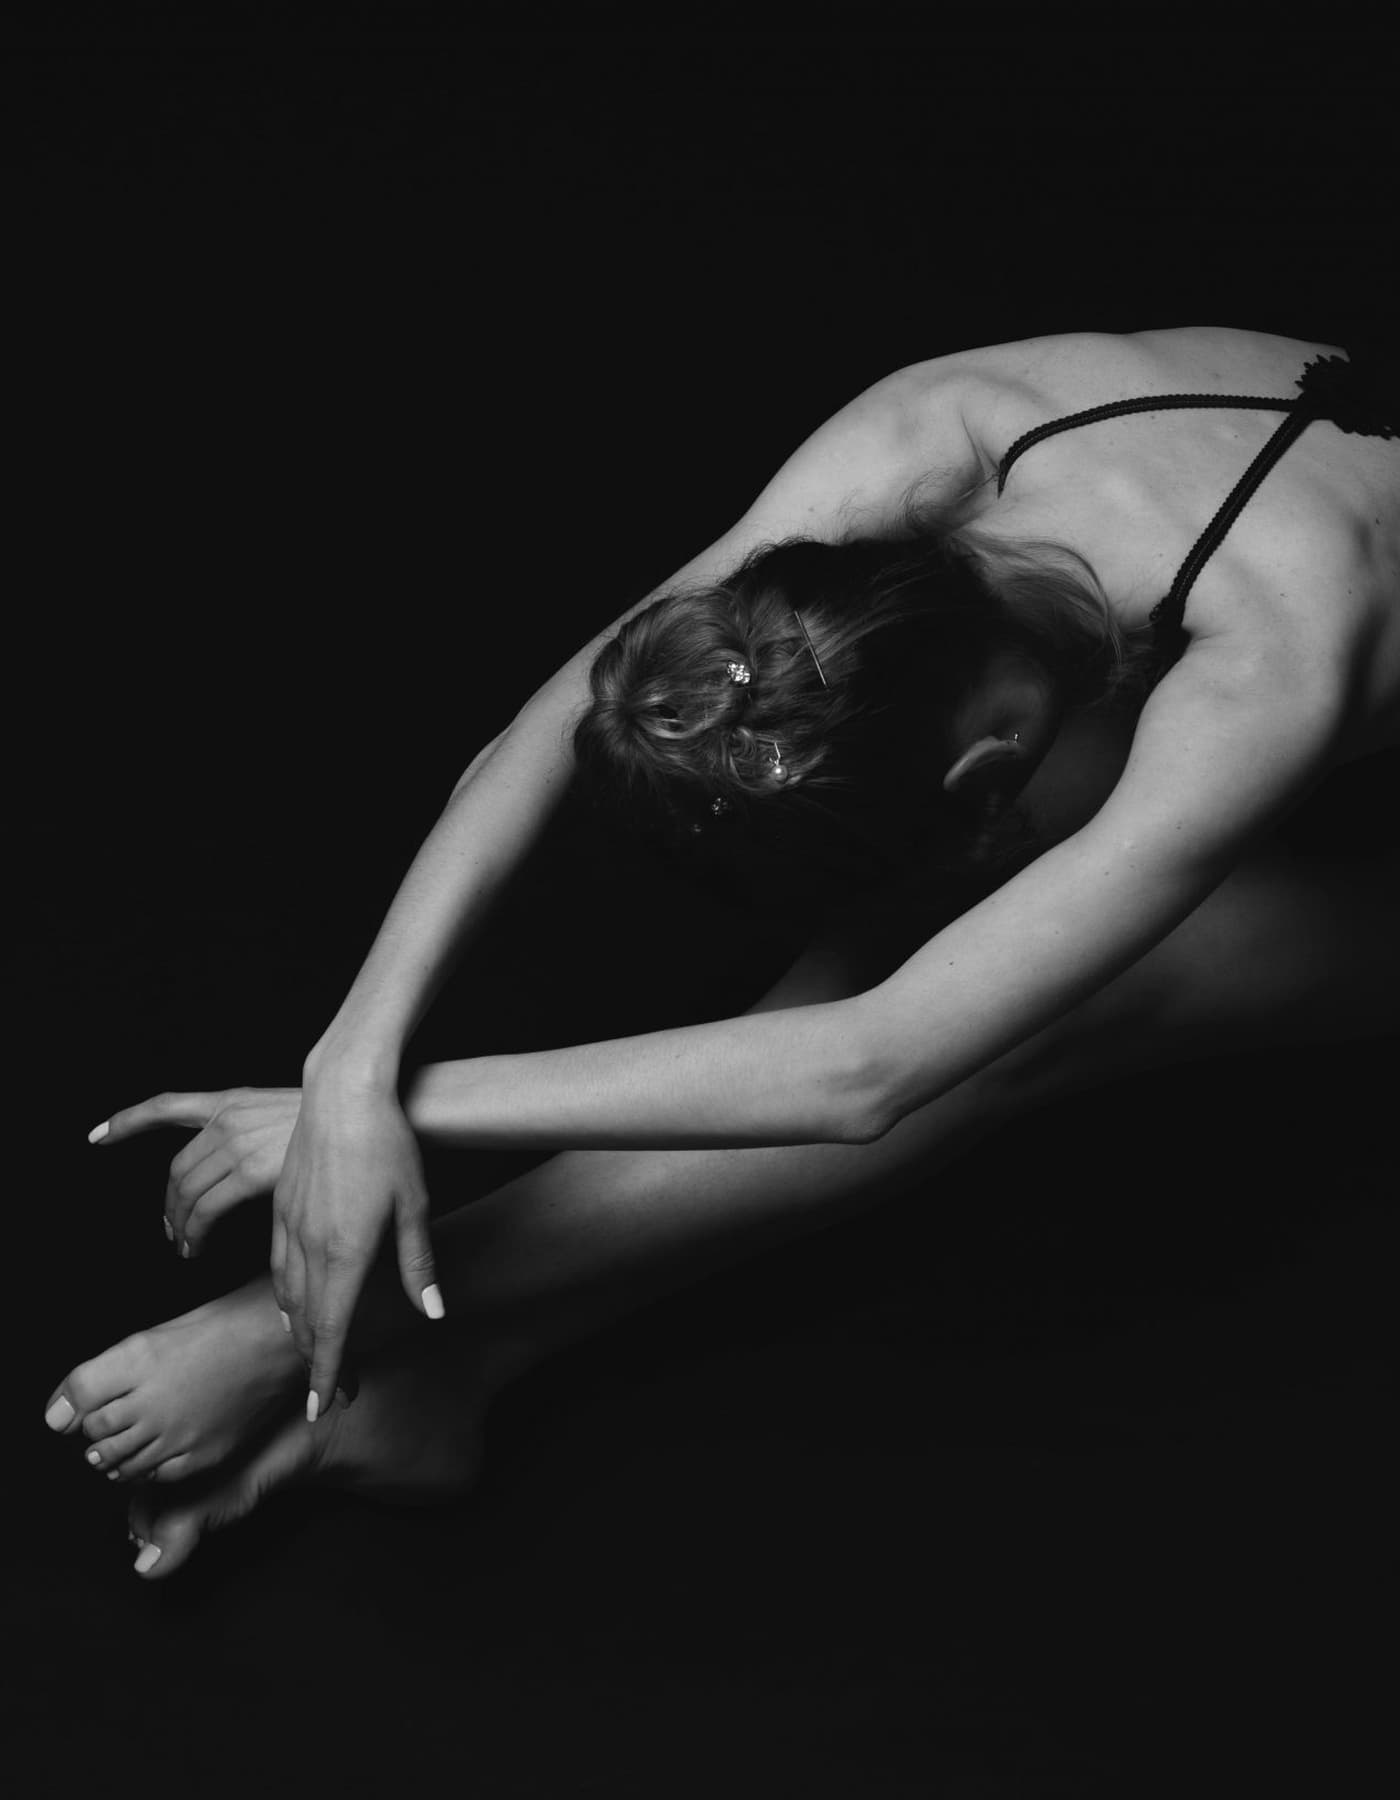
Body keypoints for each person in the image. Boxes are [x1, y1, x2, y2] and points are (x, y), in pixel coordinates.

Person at [47, 324, 1399, 1577]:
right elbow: (557, 722)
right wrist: (348, 1061)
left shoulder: (1270, 661)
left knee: (1056, 998)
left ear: (984, 762)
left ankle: (366, 1343)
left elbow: (866, 1072)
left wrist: (391, 1113)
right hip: (1226, 642)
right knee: (955, 920)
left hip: (1316, 716)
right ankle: (452, 1380)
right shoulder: (947, 432)